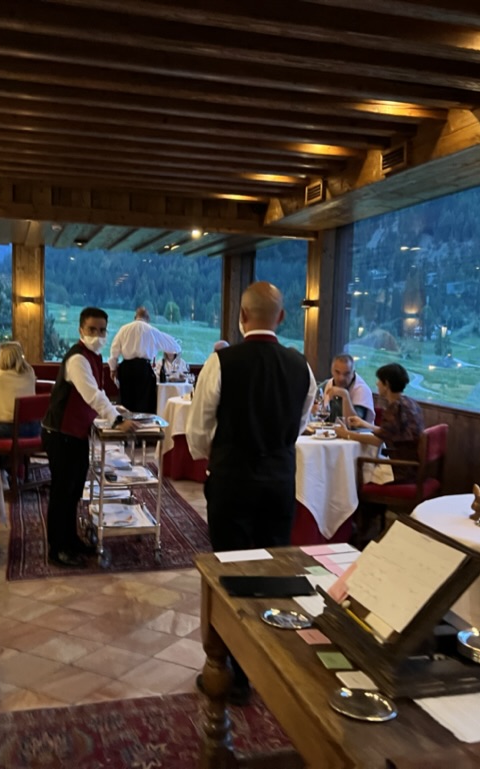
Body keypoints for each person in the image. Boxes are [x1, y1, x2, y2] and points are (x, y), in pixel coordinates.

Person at [186, 281, 316, 704]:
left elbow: (200, 429)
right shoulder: (303, 368)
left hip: (232, 480)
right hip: (279, 483)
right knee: (273, 575)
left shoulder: (222, 362)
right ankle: (273, 667)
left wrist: (218, 455)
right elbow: (297, 426)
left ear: (242, 317)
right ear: (281, 318)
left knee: (231, 575)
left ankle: (232, 672)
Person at [42, 307, 135, 568]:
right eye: (92, 330)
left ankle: (70, 540)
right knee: (63, 492)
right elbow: (92, 394)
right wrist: (116, 420)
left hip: (77, 434)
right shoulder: (78, 359)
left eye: (102, 330)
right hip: (60, 434)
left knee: (73, 493)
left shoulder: (95, 356)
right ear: (81, 330)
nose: (98, 334)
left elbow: (98, 395)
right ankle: (57, 549)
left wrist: (115, 411)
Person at [335, 363, 426, 545]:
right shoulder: (408, 402)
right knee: (366, 468)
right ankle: (370, 526)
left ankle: (362, 532)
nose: (376, 384)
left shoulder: (394, 407)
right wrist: (365, 424)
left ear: (386, 383)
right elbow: (390, 433)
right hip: (411, 464)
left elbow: (378, 441)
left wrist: (346, 434)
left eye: (379, 381)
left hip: (403, 469)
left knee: (356, 476)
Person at [108, 306, 181, 413]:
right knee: (145, 404)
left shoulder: (124, 329)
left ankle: (127, 427)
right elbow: (175, 347)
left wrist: (113, 369)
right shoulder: (152, 331)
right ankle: (144, 427)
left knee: (126, 404)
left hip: (126, 369)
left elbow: (114, 351)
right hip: (144, 370)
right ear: (148, 318)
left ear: (135, 317)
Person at [317, 353, 375, 424]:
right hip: (332, 432)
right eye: (337, 372)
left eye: (346, 374)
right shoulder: (326, 385)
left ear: (353, 373)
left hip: (358, 434)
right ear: (332, 371)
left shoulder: (362, 390)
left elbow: (353, 424)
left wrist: (345, 396)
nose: (341, 378)